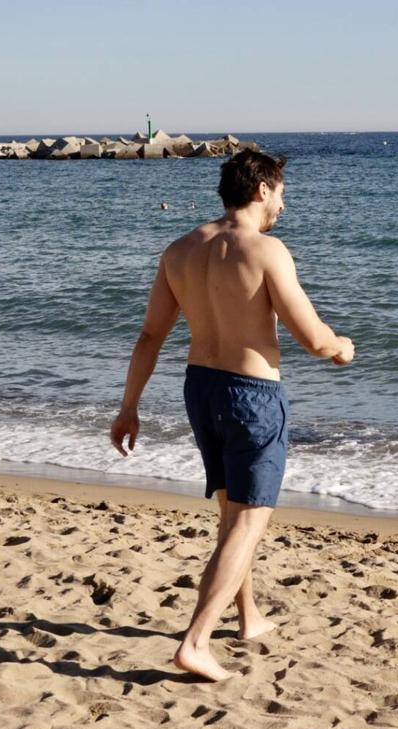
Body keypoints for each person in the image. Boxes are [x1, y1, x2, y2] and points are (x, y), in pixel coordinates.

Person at [110, 150, 354, 681]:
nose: (283, 205)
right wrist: (343, 347)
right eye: (282, 193)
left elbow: (150, 335)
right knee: (249, 521)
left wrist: (129, 407)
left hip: (201, 389)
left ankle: (248, 617)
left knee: (230, 514)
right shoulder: (266, 250)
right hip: (253, 396)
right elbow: (312, 337)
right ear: (263, 188)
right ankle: (195, 642)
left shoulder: (179, 251)